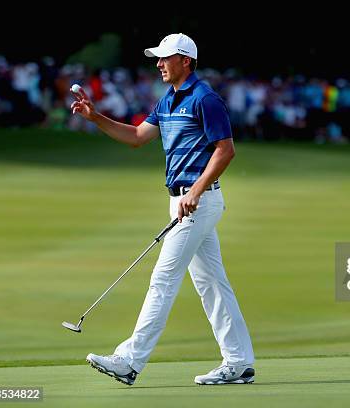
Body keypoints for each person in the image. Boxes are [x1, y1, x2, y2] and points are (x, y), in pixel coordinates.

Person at [71, 33, 255, 386]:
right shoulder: (167, 101)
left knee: (162, 280)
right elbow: (138, 137)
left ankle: (129, 359)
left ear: (185, 60)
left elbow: (225, 150)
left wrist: (196, 191)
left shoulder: (205, 99)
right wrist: (96, 118)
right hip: (182, 201)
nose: (158, 63)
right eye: (157, 58)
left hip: (198, 201)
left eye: (165, 57)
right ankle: (239, 361)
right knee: (212, 284)